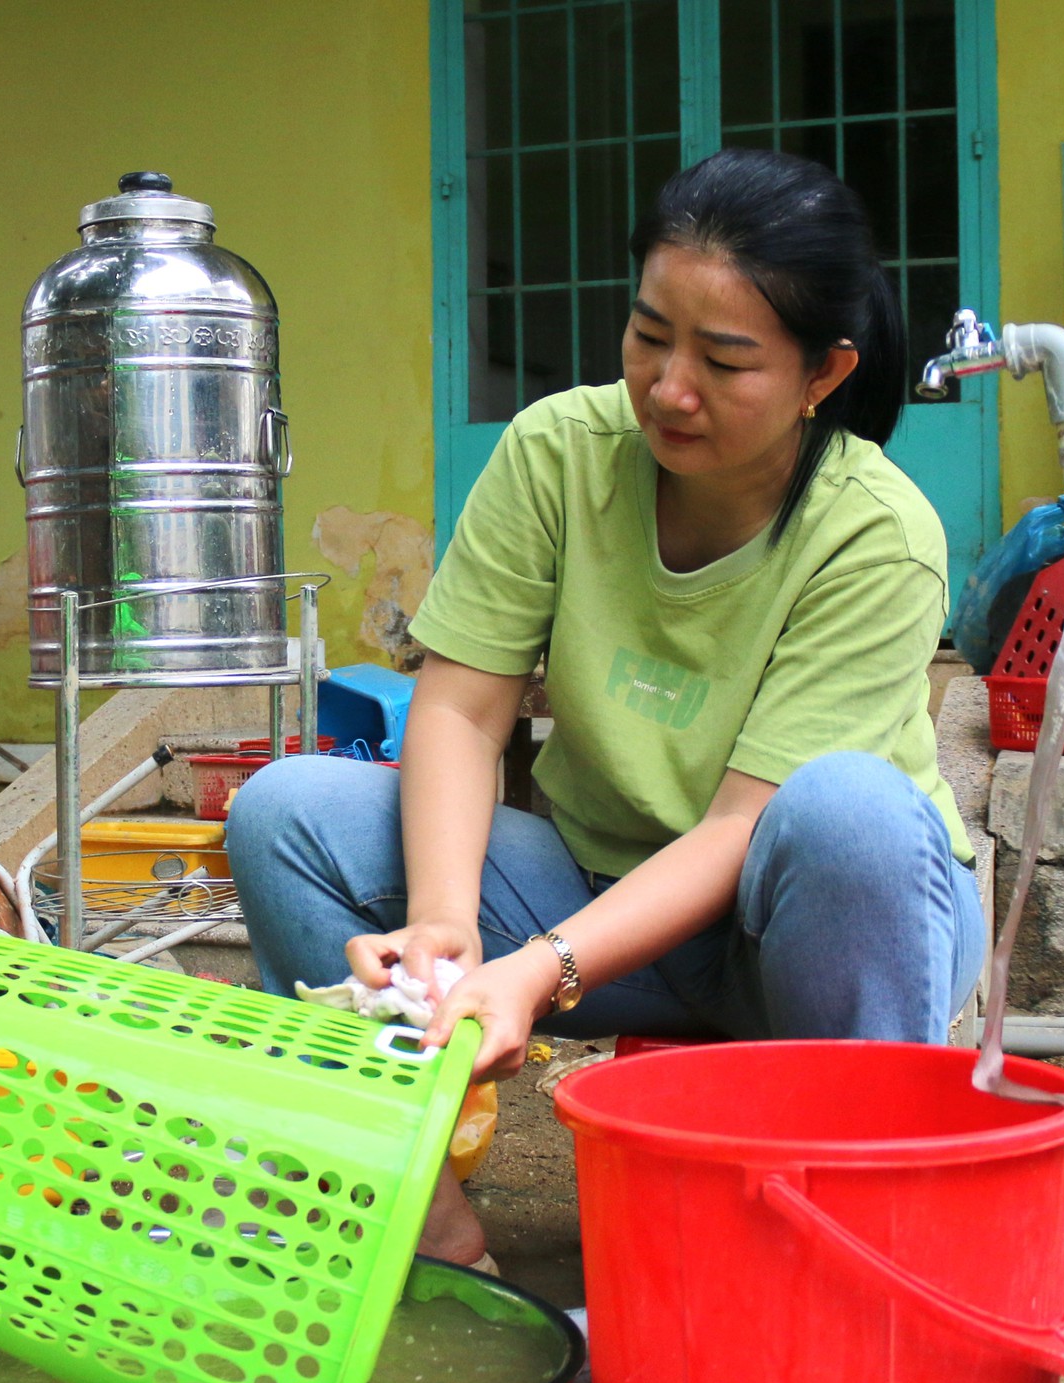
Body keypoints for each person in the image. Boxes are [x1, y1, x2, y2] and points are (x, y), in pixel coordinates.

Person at [228, 149, 984, 1265]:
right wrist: (442, 921)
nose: (670, 388)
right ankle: (420, 1220)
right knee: (286, 811)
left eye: (725, 361)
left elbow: (742, 828)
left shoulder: (875, 533)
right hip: (596, 895)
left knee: (848, 814)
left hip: (812, 924)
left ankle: (850, 1241)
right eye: (648, 335)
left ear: (823, 373)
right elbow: (458, 712)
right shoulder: (556, 455)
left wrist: (537, 970)